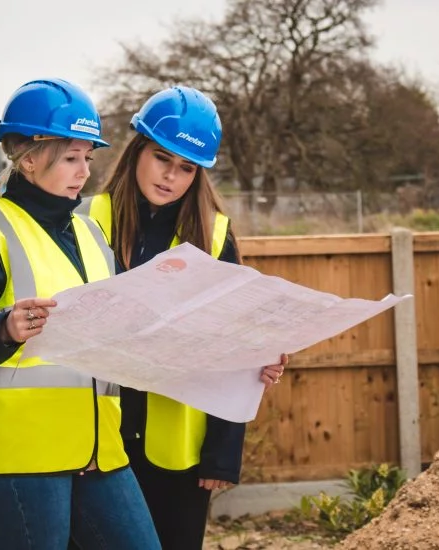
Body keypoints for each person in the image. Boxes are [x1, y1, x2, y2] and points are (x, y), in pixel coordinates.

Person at [0, 78, 161, 550]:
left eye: (87, 159)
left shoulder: (92, 235)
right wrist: (5, 326)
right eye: (71, 157)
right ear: (29, 157)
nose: (83, 171)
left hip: (99, 450)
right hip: (20, 456)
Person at [76, 86, 287, 550]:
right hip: (96, 440)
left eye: (186, 168)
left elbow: (237, 342)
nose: (171, 176)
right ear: (136, 152)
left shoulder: (214, 236)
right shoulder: (87, 221)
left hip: (178, 452)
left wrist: (221, 455)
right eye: (161, 158)